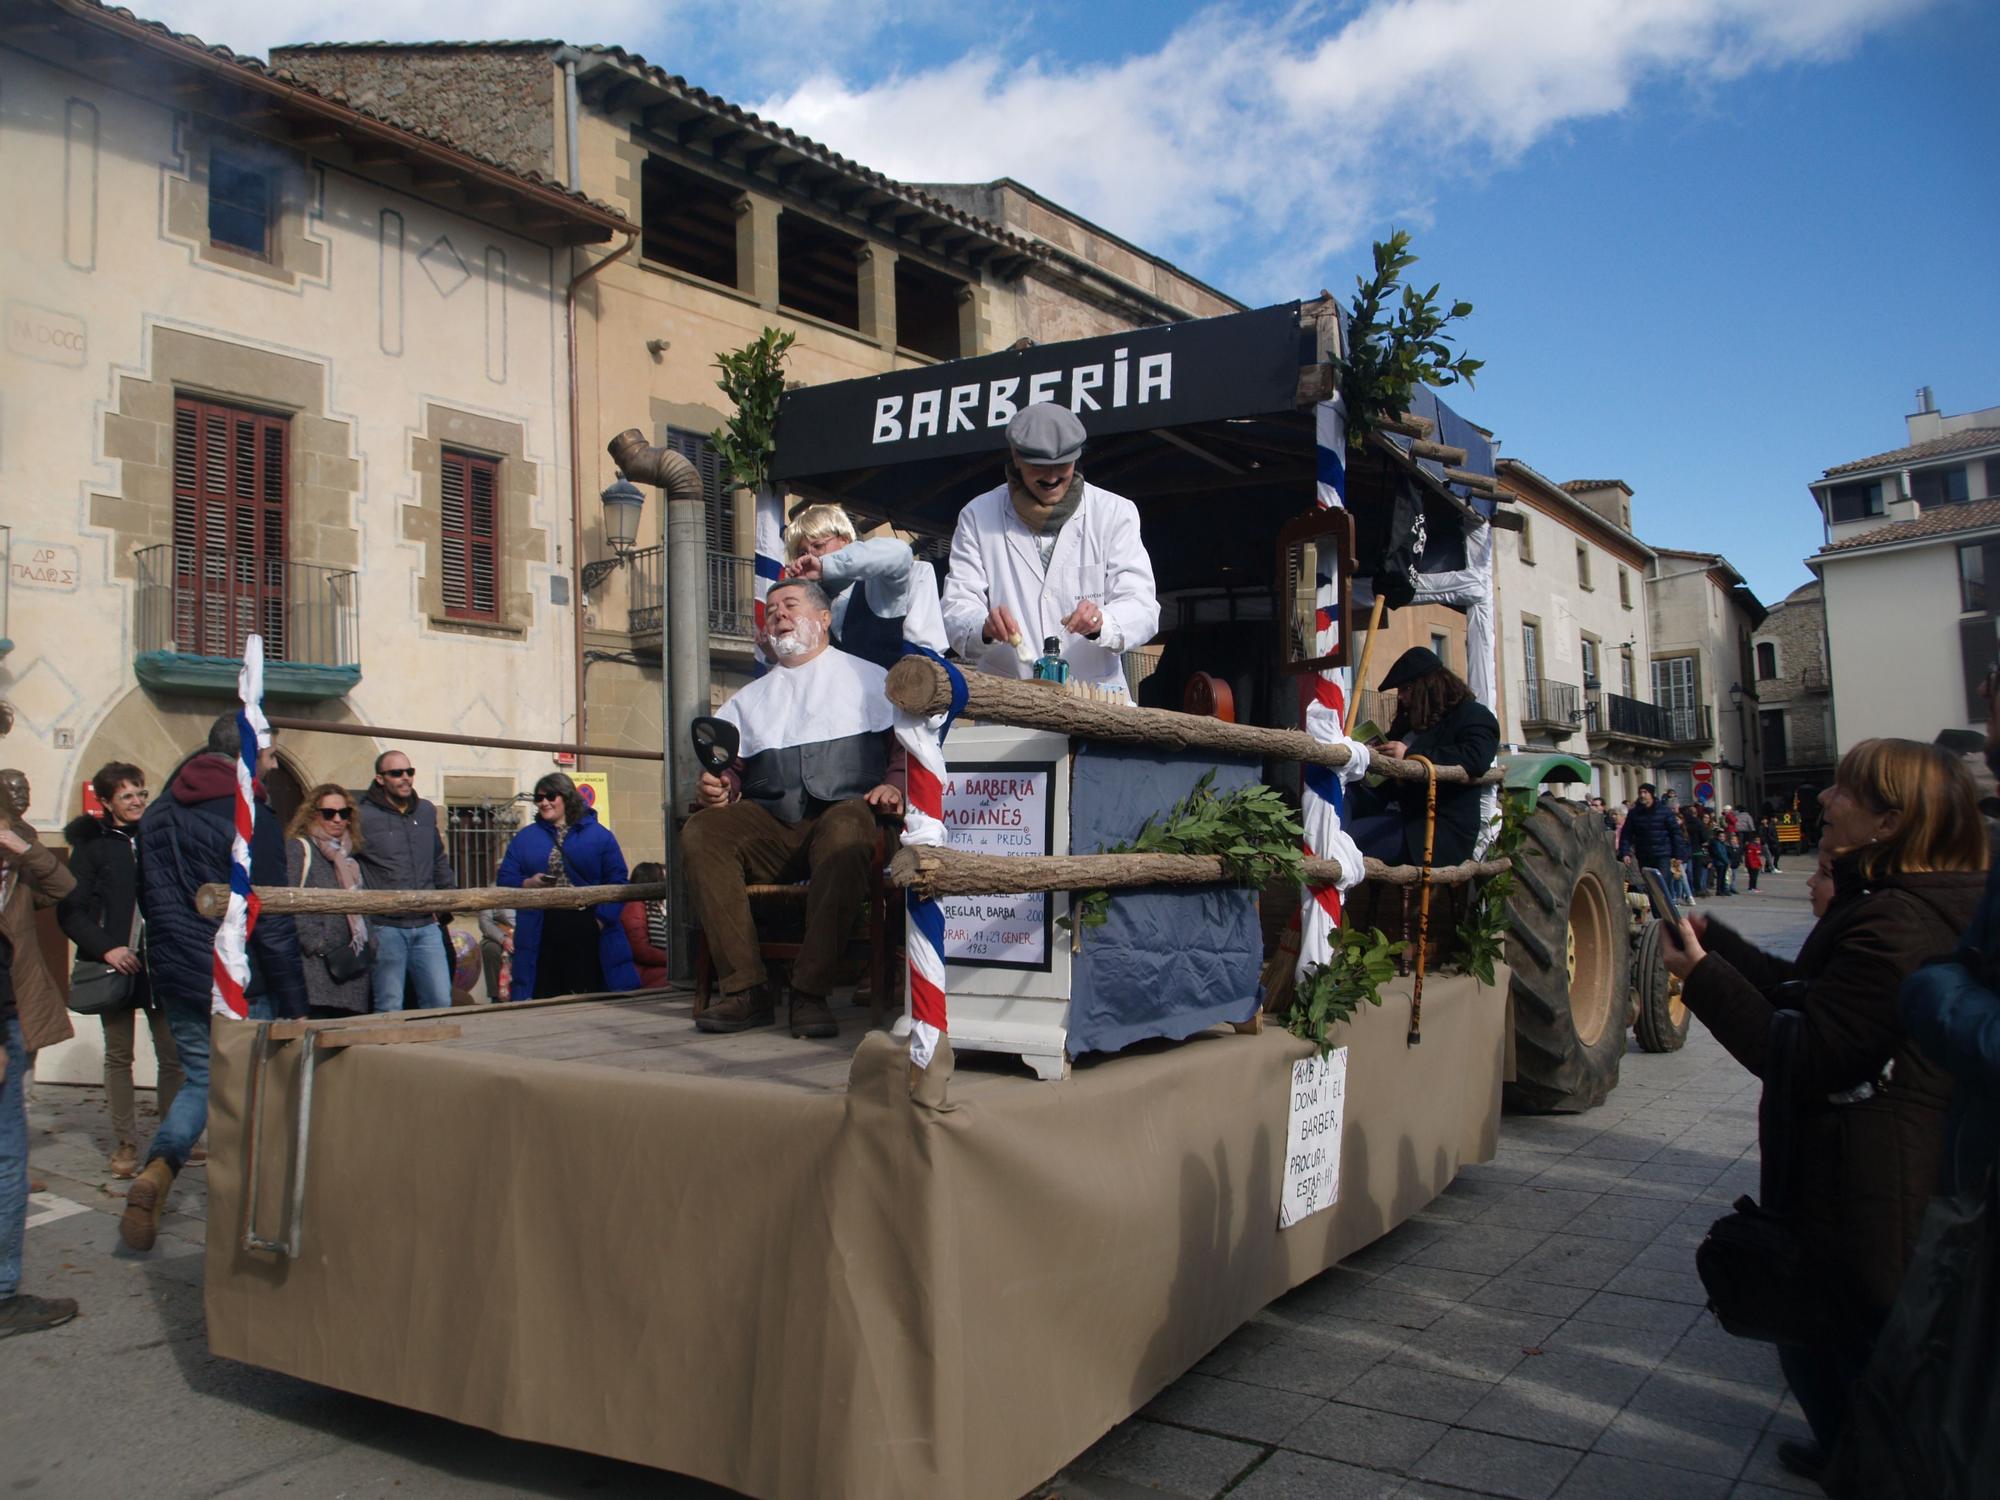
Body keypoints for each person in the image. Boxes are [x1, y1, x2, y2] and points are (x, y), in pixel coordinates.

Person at [1661, 739, 1987, 1466]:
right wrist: (1721, 951)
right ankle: (1849, 1454)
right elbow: (1818, 999)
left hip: (1874, 1181)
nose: (1826, 800)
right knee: (1828, 1348)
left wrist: (1703, 978)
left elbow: (1810, 1053)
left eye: (1845, 790)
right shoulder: (1899, 905)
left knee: (1860, 1356)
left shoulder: (1897, 921)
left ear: (1889, 822)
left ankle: (1865, 1465)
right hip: (1866, 1175)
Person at [683, 578, 903, 1038]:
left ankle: (810, 992)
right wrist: (720, 787)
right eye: (771, 609)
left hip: (849, 811)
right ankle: (746, 989)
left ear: (824, 618)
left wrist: (894, 785)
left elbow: (905, 749)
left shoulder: (872, 678)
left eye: (790, 604)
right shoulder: (748, 699)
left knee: (846, 829)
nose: (778, 614)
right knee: (703, 831)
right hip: (773, 822)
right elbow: (732, 768)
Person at [123, 715, 307, 1253]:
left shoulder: (157, 812)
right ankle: (245, 1208)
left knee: (203, 1079)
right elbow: (270, 913)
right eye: (269, 754)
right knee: (255, 1091)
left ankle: (159, 1168)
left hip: (177, 968)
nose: (274, 762)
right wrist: (297, 1000)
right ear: (251, 756)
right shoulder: (252, 814)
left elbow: (147, 895)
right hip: (239, 975)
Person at [939, 402, 1158, 695]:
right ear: (1016, 456)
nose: (1052, 477)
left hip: (1094, 698)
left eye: (1062, 465)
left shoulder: (1114, 513)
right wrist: (984, 626)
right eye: (1039, 466)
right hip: (1009, 698)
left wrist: (1101, 622)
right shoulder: (978, 516)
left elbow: (1142, 607)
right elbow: (957, 607)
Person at [58, 762, 185, 1179]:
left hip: (159, 964)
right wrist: (107, 949)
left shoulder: (159, 838)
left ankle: (172, 1140)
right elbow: (71, 913)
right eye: (127, 795)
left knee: (172, 1055)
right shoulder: (92, 848)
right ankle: (126, 1142)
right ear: (107, 802)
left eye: (141, 793)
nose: (136, 801)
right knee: (119, 1056)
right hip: (115, 966)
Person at [1, 823, 78, 1338]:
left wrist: (22, 848)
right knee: (7, 1159)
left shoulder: (18, 874)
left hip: (16, 1013)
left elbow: (64, 886)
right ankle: (3, 1294)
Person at [1344, 648, 1500, 868]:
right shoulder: (1412, 721)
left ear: (1429, 686)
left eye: (1405, 688)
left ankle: (1332, 850)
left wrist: (1409, 755)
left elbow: (1476, 757)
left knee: (1348, 841)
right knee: (1340, 795)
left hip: (1434, 830)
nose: (1400, 696)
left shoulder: (1474, 715)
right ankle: (1328, 841)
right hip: (1398, 811)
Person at [496, 773, 637, 1000]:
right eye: (538, 798)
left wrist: (601, 921)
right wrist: (527, 883)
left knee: (589, 995)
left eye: (550, 796)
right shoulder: (525, 838)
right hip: (541, 926)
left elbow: (618, 880)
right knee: (544, 996)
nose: (544, 802)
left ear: (567, 797)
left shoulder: (599, 836)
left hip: (587, 924)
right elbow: (505, 877)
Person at [780, 504, 948, 670]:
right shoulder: (813, 606)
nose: (809, 556)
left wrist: (826, 565)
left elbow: (901, 552)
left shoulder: (879, 585)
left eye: (817, 546)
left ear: (845, 541)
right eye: (802, 553)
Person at [353, 749, 456, 1013]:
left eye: (409, 771)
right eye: (396, 773)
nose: (405, 778)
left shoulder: (426, 811)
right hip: (386, 926)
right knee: (389, 1005)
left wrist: (446, 903)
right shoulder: (362, 816)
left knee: (440, 1001)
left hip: (427, 923)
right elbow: (347, 862)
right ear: (380, 778)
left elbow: (438, 857)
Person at [285, 785, 375, 1019]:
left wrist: (371, 943)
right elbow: (290, 901)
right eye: (329, 813)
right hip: (318, 967)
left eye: (344, 813)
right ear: (312, 814)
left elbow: (363, 906)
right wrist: (318, 943)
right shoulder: (300, 849)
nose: (337, 819)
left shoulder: (349, 858)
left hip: (353, 967)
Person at [1617, 783, 1690, 892]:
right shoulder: (1634, 814)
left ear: (1651, 794)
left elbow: (1675, 833)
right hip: (1644, 855)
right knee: (1651, 887)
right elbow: (1626, 834)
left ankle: (1664, 903)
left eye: (1645, 792)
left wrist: (1679, 855)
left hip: (1663, 855)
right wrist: (1625, 852)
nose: (1642, 795)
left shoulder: (1664, 811)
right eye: (1640, 793)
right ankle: (1654, 903)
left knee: (1662, 886)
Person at [621, 861, 670, 990]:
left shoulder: (657, 906)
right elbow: (641, 951)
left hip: (658, 967)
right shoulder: (635, 908)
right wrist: (673, 959)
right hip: (644, 972)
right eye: (663, 880)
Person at [478, 906, 515, 1003]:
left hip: (526, 933)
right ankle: (498, 997)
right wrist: (503, 939)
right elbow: (484, 921)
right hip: (501, 934)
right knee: (491, 948)